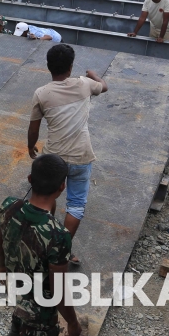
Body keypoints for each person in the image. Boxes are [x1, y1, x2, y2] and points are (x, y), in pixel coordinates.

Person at [0, 154, 82, 336]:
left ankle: (13, 335)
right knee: (42, 329)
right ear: (62, 187)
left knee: (27, 295)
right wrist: (73, 323)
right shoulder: (58, 235)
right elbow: (57, 292)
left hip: (16, 275)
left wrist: (2, 269)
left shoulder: (8, 205)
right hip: (38, 292)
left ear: (30, 179)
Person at [27, 45, 107, 265]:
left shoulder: (42, 93)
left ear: (48, 67)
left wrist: (30, 146)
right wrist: (93, 74)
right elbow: (104, 86)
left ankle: (44, 235)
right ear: (71, 67)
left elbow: (33, 128)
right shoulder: (84, 84)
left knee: (46, 196)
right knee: (76, 204)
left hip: (53, 158)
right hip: (81, 155)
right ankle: (60, 249)